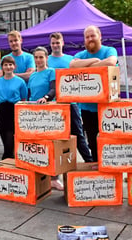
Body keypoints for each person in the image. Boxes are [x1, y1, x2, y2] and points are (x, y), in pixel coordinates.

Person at [70, 25, 118, 162]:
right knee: (92, 141)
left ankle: (110, 167)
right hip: (87, 108)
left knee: (109, 141)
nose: (90, 39)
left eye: (93, 35)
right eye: (87, 37)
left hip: (107, 108)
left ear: (100, 36)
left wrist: (86, 66)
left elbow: (110, 62)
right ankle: (97, 170)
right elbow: (72, 65)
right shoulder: (81, 55)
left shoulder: (109, 50)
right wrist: (94, 61)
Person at [48, 32, 93, 163]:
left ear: (62, 43)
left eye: (57, 42)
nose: (55, 45)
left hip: (71, 103)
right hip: (54, 105)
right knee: (55, 138)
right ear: (50, 44)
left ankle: (89, 162)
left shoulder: (71, 60)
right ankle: (57, 167)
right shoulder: (47, 60)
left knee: (79, 136)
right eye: (53, 43)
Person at [28, 46, 63, 191]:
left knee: (52, 147)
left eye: (41, 57)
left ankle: (55, 178)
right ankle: (41, 176)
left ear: (46, 58)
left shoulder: (51, 72)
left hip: (48, 114)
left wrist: (46, 97)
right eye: (36, 57)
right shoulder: (32, 76)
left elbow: (54, 89)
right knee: (39, 147)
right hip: (34, 115)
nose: (38, 60)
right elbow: (30, 94)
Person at [0, 56, 27, 159]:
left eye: (10, 64)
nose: (8, 67)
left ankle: (6, 161)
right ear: (2, 67)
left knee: (10, 142)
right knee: (4, 140)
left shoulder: (20, 82)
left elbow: (24, 98)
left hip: (14, 111)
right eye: (5, 65)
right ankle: (9, 161)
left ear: (14, 66)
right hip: (2, 112)